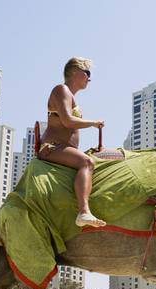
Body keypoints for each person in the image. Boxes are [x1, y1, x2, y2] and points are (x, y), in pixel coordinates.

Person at [39, 57, 106, 228]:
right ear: (75, 71)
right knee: (86, 162)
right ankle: (84, 212)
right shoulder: (61, 90)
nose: (89, 78)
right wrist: (93, 123)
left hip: (64, 148)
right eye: (87, 73)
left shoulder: (69, 96)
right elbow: (67, 121)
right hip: (53, 148)